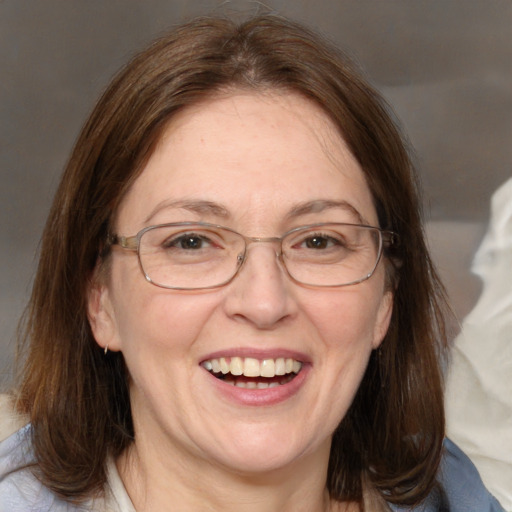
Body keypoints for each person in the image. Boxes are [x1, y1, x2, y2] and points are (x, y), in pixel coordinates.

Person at [0, 14, 504, 512]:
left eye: (320, 241)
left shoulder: (459, 497)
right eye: (192, 242)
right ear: (100, 300)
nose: (264, 302)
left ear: (385, 301)